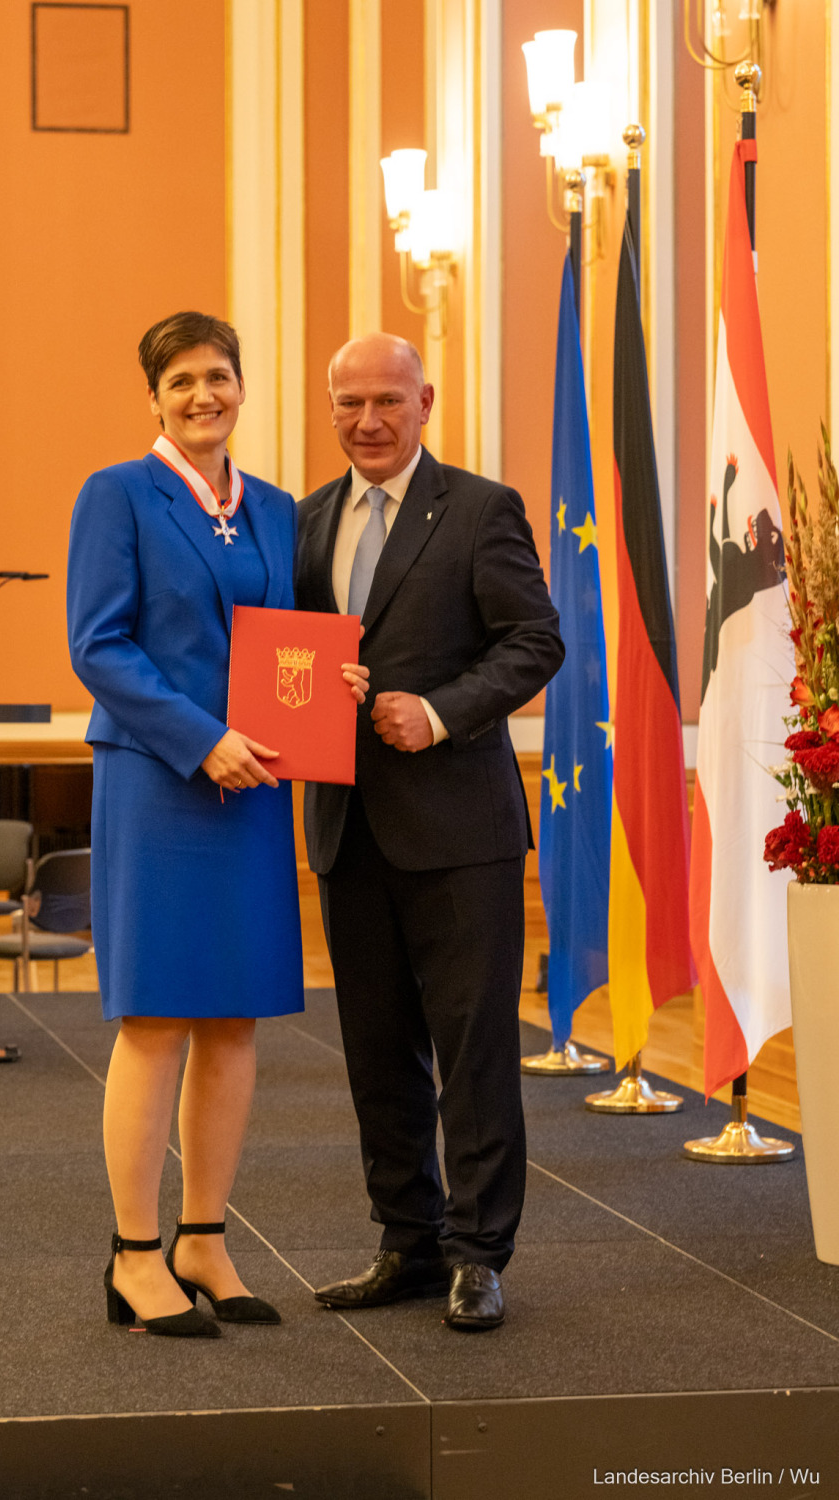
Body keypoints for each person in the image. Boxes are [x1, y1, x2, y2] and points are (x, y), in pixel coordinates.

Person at [68, 311, 367, 1338]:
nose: (205, 394)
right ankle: (135, 1253)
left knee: (234, 1019)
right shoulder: (117, 495)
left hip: (257, 786)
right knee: (156, 1017)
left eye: (221, 377)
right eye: (184, 379)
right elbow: (98, 646)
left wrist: (341, 681)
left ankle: (204, 1237)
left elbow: (294, 644)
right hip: (161, 779)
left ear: (243, 388)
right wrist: (200, 739)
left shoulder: (279, 510)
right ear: (152, 395)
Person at [296, 333, 564, 1332]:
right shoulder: (306, 520)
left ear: (426, 402)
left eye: (386, 401)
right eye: (347, 402)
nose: (366, 420)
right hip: (345, 827)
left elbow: (535, 640)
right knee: (375, 1051)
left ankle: (477, 1254)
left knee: (474, 1049)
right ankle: (403, 1242)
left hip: (461, 833)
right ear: (330, 408)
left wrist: (439, 711)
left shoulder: (481, 509)